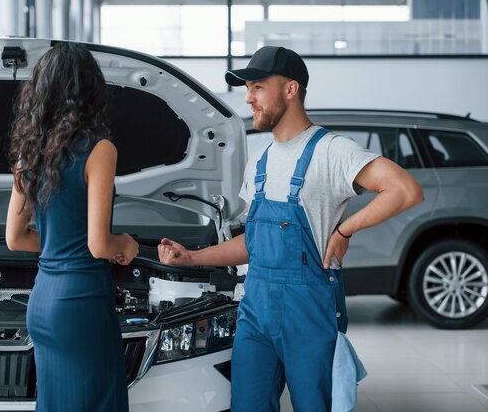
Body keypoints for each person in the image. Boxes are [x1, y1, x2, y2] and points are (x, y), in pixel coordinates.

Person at [158, 46, 424, 411]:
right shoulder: (259, 164)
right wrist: (191, 258)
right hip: (255, 309)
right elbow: (253, 244)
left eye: (257, 87)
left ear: (290, 89)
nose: (248, 98)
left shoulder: (332, 150)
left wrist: (345, 230)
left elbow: (405, 190)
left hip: (308, 312)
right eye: (247, 88)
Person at [5, 42, 138, 412]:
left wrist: (58, 245)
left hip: (43, 302)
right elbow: (99, 245)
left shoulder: (28, 153)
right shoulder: (100, 149)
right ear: (91, 90)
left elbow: (15, 239)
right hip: (81, 303)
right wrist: (125, 244)